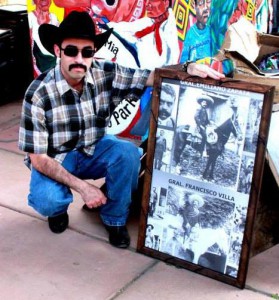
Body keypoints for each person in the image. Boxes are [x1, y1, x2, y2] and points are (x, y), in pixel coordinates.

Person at [18, 11, 225, 249]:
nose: (79, 59)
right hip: (56, 158)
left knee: (127, 153)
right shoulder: (38, 93)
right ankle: (58, 210)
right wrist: (84, 189)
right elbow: (39, 159)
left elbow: (151, 76)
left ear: (93, 53)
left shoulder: (104, 72)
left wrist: (189, 68)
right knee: (47, 200)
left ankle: (114, 218)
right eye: (71, 51)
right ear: (58, 51)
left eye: (87, 52)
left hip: (93, 147)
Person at [28, 0, 59, 76]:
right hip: (42, 65)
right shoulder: (30, 17)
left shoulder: (54, 17)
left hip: (56, 62)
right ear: (34, 1)